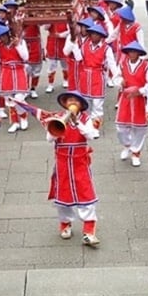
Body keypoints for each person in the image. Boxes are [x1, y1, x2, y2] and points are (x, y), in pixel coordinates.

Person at [46, 91, 102, 247]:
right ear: (65, 103)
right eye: (70, 100)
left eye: (76, 101)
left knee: (86, 194)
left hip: (80, 163)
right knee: (63, 195)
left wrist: (77, 122)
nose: (72, 103)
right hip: (63, 163)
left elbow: (92, 135)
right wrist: (57, 126)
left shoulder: (86, 119)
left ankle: (89, 231)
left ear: (81, 105)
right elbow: (49, 138)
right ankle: (65, 224)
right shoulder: (57, 117)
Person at [115, 41, 148, 167]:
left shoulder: (147, 67)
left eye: (134, 51)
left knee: (140, 129)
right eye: (130, 51)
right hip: (125, 99)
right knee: (121, 128)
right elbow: (116, 77)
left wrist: (139, 91)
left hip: (139, 100)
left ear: (138, 53)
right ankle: (127, 145)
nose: (132, 54)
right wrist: (120, 82)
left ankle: (136, 152)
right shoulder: (122, 64)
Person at [0, 25, 30, 134]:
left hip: (19, 71)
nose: (1, 39)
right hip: (6, 73)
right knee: (9, 99)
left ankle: (23, 117)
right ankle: (14, 122)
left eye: (3, 36)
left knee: (19, 98)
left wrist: (17, 45)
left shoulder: (19, 42)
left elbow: (25, 57)